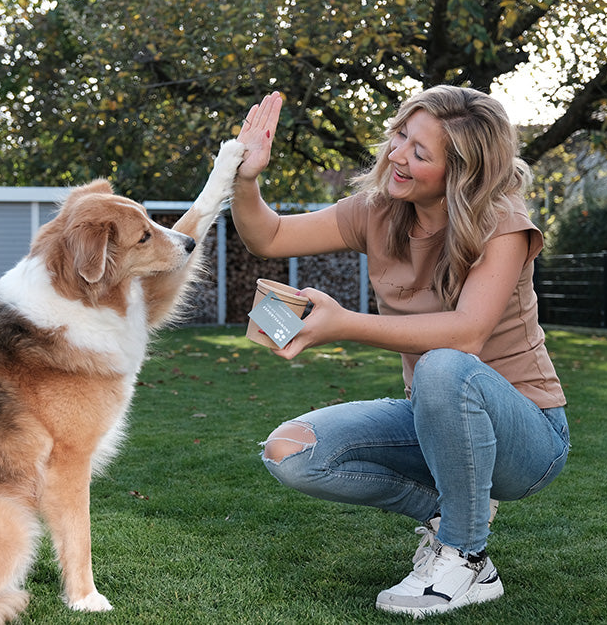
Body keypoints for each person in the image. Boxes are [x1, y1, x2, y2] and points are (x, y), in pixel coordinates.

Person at [230, 87, 570, 618]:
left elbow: (467, 334)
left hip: (527, 437)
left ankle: (466, 555)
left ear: (461, 171)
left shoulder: (501, 222)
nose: (396, 155)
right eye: (400, 137)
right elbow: (268, 236)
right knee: (290, 452)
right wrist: (246, 177)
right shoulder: (379, 210)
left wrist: (343, 324)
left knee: (445, 363)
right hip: (432, 417)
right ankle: (459, 512)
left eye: (419, 152)